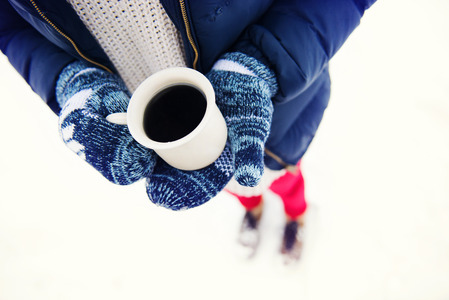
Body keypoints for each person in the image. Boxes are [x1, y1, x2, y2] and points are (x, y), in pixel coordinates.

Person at [0, 0, 376, 261]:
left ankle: (296, 215)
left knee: (281, 175)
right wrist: (68, 79)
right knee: (235, 184)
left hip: (276, 106)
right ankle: (253, 208)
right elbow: (8, 24)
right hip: (160, 126)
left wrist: (265, 60)